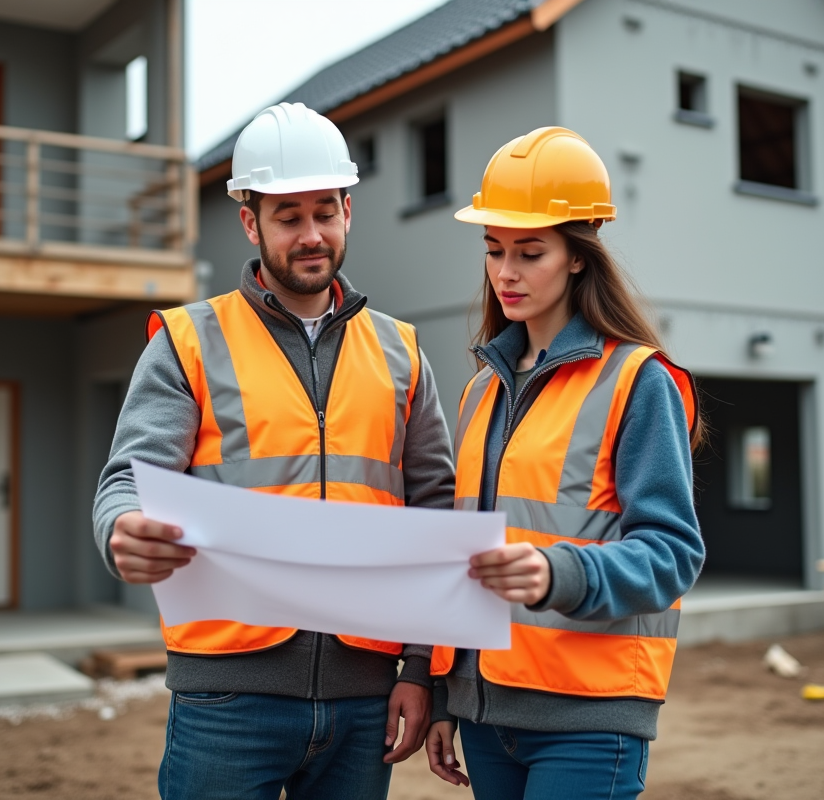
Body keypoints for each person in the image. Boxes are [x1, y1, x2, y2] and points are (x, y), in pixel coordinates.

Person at [93, 102, 456, 800]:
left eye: (326, 210)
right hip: (228, 700)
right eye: (288, 216)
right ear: (250, 221)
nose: (312, 234)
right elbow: (127, 483)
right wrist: (122, 529)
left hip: (364, 702)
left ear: (350, 210)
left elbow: (433, 516)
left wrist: (419, 671)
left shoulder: (401, 352)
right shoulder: (188, 341)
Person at [423, 127, 706, 799]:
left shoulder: (638, 382)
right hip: (485, 713)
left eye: (530, 252)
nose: (506, 272)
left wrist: (559, 570)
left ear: (578, 256)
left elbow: (673, 554)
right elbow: (460, 556)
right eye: (493, 251)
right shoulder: (480, 390)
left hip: (590, 716)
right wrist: (444, 695)